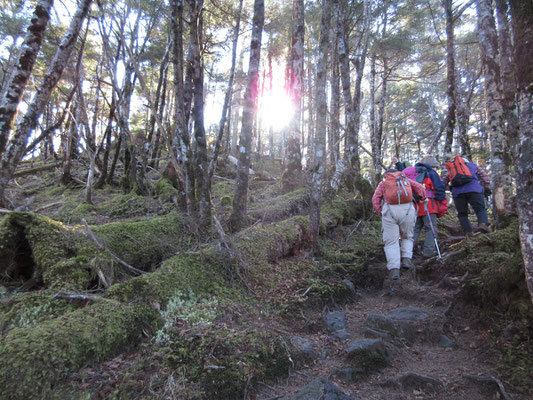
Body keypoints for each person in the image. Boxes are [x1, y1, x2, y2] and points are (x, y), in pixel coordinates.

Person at [372, 169, 427, 280]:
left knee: (391, 241)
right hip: (408, 209)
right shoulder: (406, 180)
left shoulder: (383, 183)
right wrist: (423, 198)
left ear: (387, 175)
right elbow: (420, 188)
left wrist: (380, 212)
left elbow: (375, 199)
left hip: (390, 211)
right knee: (407, 236)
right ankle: (406, 259)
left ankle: (394, 269)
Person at [403, 155, 448, 257]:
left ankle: (405, 252)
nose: (436, 169)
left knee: (415, 229)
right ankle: (428, 251)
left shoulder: (414, 172)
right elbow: (438, 188)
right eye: (436, 167)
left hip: (416, 204)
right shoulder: (431, 173)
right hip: (429, 204)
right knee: (430, 228)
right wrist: (442, 201)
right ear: (432, 166)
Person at [440, 155, 491, 234]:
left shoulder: (451, 170)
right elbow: (484, 176)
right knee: (480, 208)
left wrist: (450, 188)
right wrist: (487, 187)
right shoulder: (474, 166)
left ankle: (468, 232)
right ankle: (483, 224)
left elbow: (443, 183)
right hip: (474, 190)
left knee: (462, 213)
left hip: (458, 193)